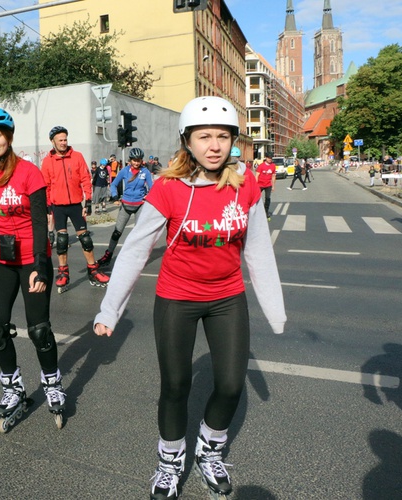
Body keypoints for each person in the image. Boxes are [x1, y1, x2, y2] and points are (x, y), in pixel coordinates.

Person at [93, 96, 285, 499]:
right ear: (188, 142)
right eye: (204, 137)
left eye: (222, 136)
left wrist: (273, 308)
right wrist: (110, 309)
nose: (213, 145)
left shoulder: (245, 183)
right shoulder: (168, 187)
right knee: (176, 385)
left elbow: (259, 251)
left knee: (231, 385)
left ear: (232, 140)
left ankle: (209, 453)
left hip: (227, 296)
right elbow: (135, 250)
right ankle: (169, 461)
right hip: (177, 298)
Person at [0, 107, 65, 432]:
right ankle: (13, 387)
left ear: (8, 137)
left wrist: (41, 263)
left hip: (31, 258)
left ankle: (52, 381)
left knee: (39, 330)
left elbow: (40, 221)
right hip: (0, 258)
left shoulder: (29, 173)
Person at [41, 125, 109, 292]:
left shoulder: (77, 157)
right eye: (60, 140)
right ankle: (63, 273)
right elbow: (46, 186)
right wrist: (48, 206)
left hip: (75, 205)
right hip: (58, 206)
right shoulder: (47, 161)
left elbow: (86, 179)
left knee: (85, 239)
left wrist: (88, 202)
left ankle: (93, 270)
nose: (64, 143)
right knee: (62, 241)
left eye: (65, 139)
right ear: (53, 142)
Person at [97, 147, 153, 268]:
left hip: (140, 205)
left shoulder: (145, 172)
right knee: (117, 232)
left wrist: (148, 198)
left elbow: (152, 187)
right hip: (126, 204)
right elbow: (114, 184)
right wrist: (115, 197)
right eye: (134, 160)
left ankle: (137, 257)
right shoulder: (124, 171)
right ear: (130, 160)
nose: (136, 163)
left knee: (138, 234)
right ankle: (108, 255)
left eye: (138, 160)